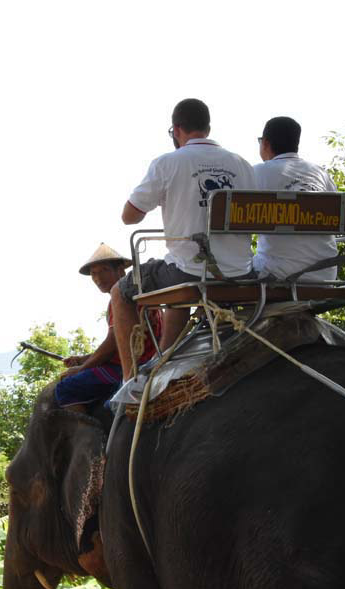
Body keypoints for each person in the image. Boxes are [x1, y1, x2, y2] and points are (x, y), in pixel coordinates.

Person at [112, 98, 256, 380]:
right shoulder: (242, 165)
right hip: (240, 272)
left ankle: (129, 380)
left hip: (190, 271)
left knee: (122, 291)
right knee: (178, 265)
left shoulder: (168, 163)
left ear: (176, 130)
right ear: (208, 128)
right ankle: (165, 355)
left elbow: (129, 216)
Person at [57, 244, 162, 409]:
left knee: (67, 387)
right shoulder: (141, 291)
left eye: (104, 270)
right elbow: (120, 343)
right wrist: (84, 358)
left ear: (120, 270)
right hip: (141, 359)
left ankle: (91, 435)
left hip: (134, 365)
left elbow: (113, 343)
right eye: (93, 273)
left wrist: (82, 368)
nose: (98, 278)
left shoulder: (122, 299)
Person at [252, 116, 339, 283]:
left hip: (275, 274)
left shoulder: (257, 173)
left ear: (266, 143)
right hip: (324, 275)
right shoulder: (320, 173)